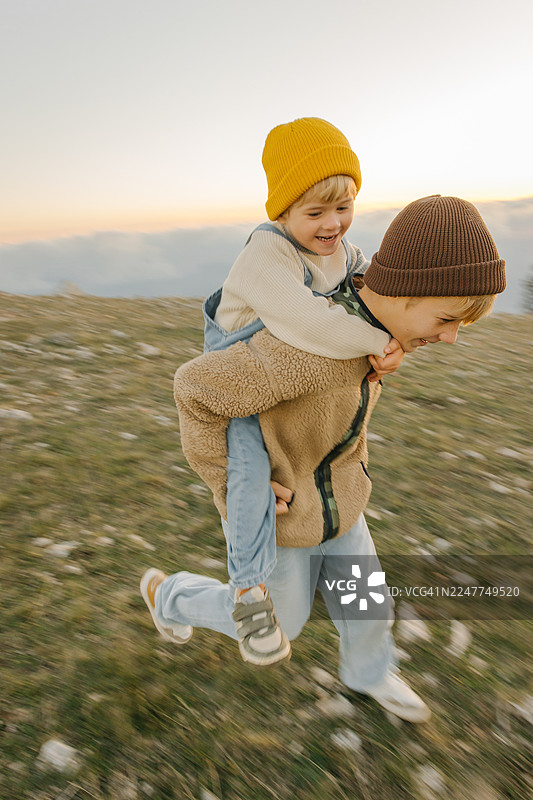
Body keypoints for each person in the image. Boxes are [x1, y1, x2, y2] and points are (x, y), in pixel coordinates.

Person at [140, 194, 506, 723]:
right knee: (281, 623)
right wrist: (229, 484)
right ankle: (170, 595)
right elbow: (195, 388)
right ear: (406, 293)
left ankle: (369, 673)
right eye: (447, 319)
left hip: (342, 498)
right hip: (288, 512)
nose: (449, 337)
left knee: (367, 602)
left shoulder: (372, 330)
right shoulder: (301, 348)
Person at [175, 118, 406, 667]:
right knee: (250, 480)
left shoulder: (339, 249)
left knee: (365, 594)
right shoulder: (266, 256)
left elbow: (368, 279)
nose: (334, 224)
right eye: (316, 212)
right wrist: (380, 336)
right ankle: (244, 590)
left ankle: (374, 674)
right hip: (241, 381)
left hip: (305, 412)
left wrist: (401, 321)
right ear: (281, 211)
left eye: (344, 206)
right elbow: (309, 324)